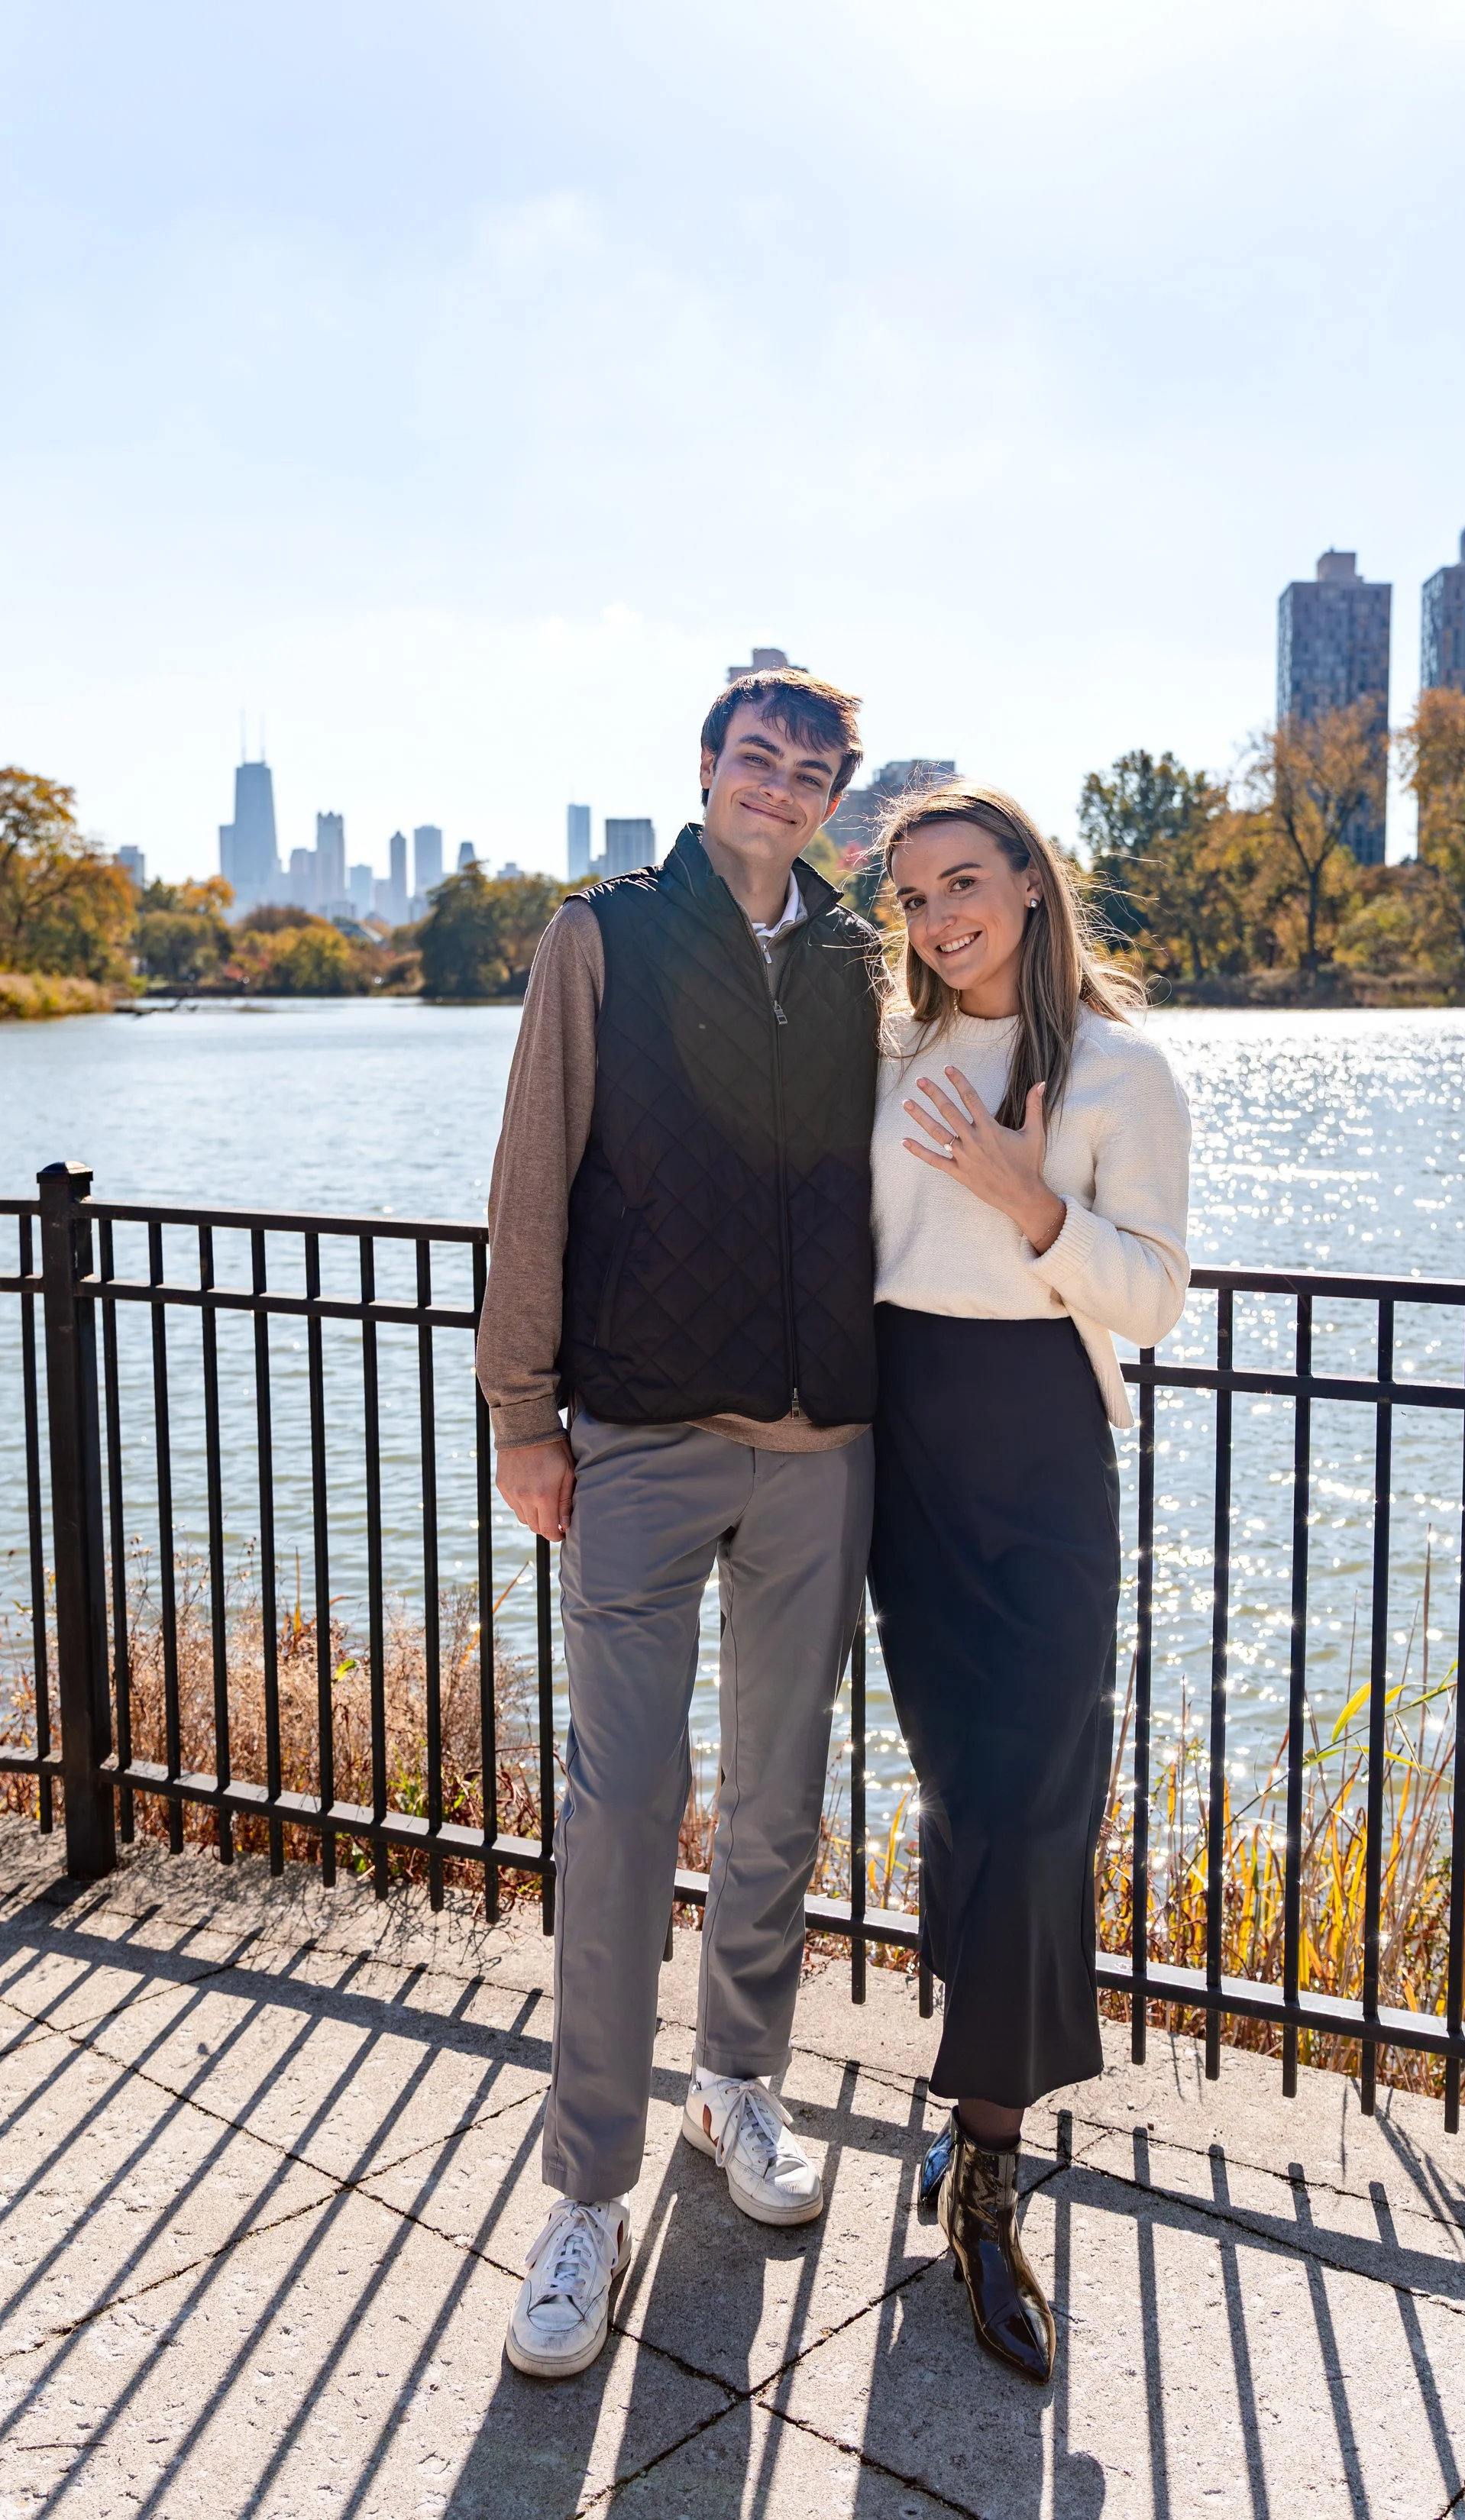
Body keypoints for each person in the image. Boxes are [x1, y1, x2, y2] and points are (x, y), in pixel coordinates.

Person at [477, 667, 884, 2379]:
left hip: (820, 1451)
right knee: (623, 1807)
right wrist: (521, 1413)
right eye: (753, 759)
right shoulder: (603, 936)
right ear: (704, 769)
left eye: (808, 772)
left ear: (835, 796)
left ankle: (735, 2087)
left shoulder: (868, 961)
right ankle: (583, 2191)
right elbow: (531, 1174)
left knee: (778, 1805)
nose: (776, 789)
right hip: (637, 1439)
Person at [868, 780, 1190, 2384]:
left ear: (1029, 887)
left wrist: (1027, 1197)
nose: (942, 916)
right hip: (902, 1448)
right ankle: (969, 2089)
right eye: (916, 893)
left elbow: (1151, 1299)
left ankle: (985, 2170)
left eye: (967, 881)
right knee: (960, 1794)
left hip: (1040, 1453)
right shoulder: (890, 1056)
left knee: (1042, 1796)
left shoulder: (1120, 1067)